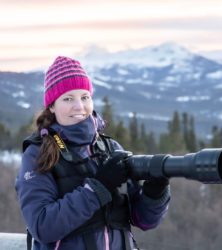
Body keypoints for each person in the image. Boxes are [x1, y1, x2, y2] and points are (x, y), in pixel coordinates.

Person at [15, 56, 170, 250]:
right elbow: (42, 226)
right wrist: (98, 189)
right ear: (52, 106)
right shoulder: (39, 153)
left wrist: (155, 192)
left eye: (85, 97)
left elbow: (145, 221)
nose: (79, 106)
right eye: (68, 98)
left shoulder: (111, 148)